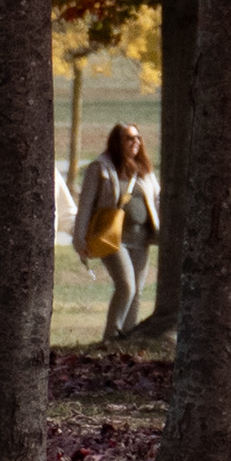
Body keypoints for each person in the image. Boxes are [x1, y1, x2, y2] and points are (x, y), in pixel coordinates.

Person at [68, 123, 158, 343]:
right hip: (112, 240)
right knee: (126, 286)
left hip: (141, 239)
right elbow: (86, 205)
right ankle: (111, 337)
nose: (135, 142)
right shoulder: (100, 168)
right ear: (117, 142)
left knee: (137, 292)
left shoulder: (144, 170)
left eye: (138, 138)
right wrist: (79, 237)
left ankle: (128, 338)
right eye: (129, 138)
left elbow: (157, 199)